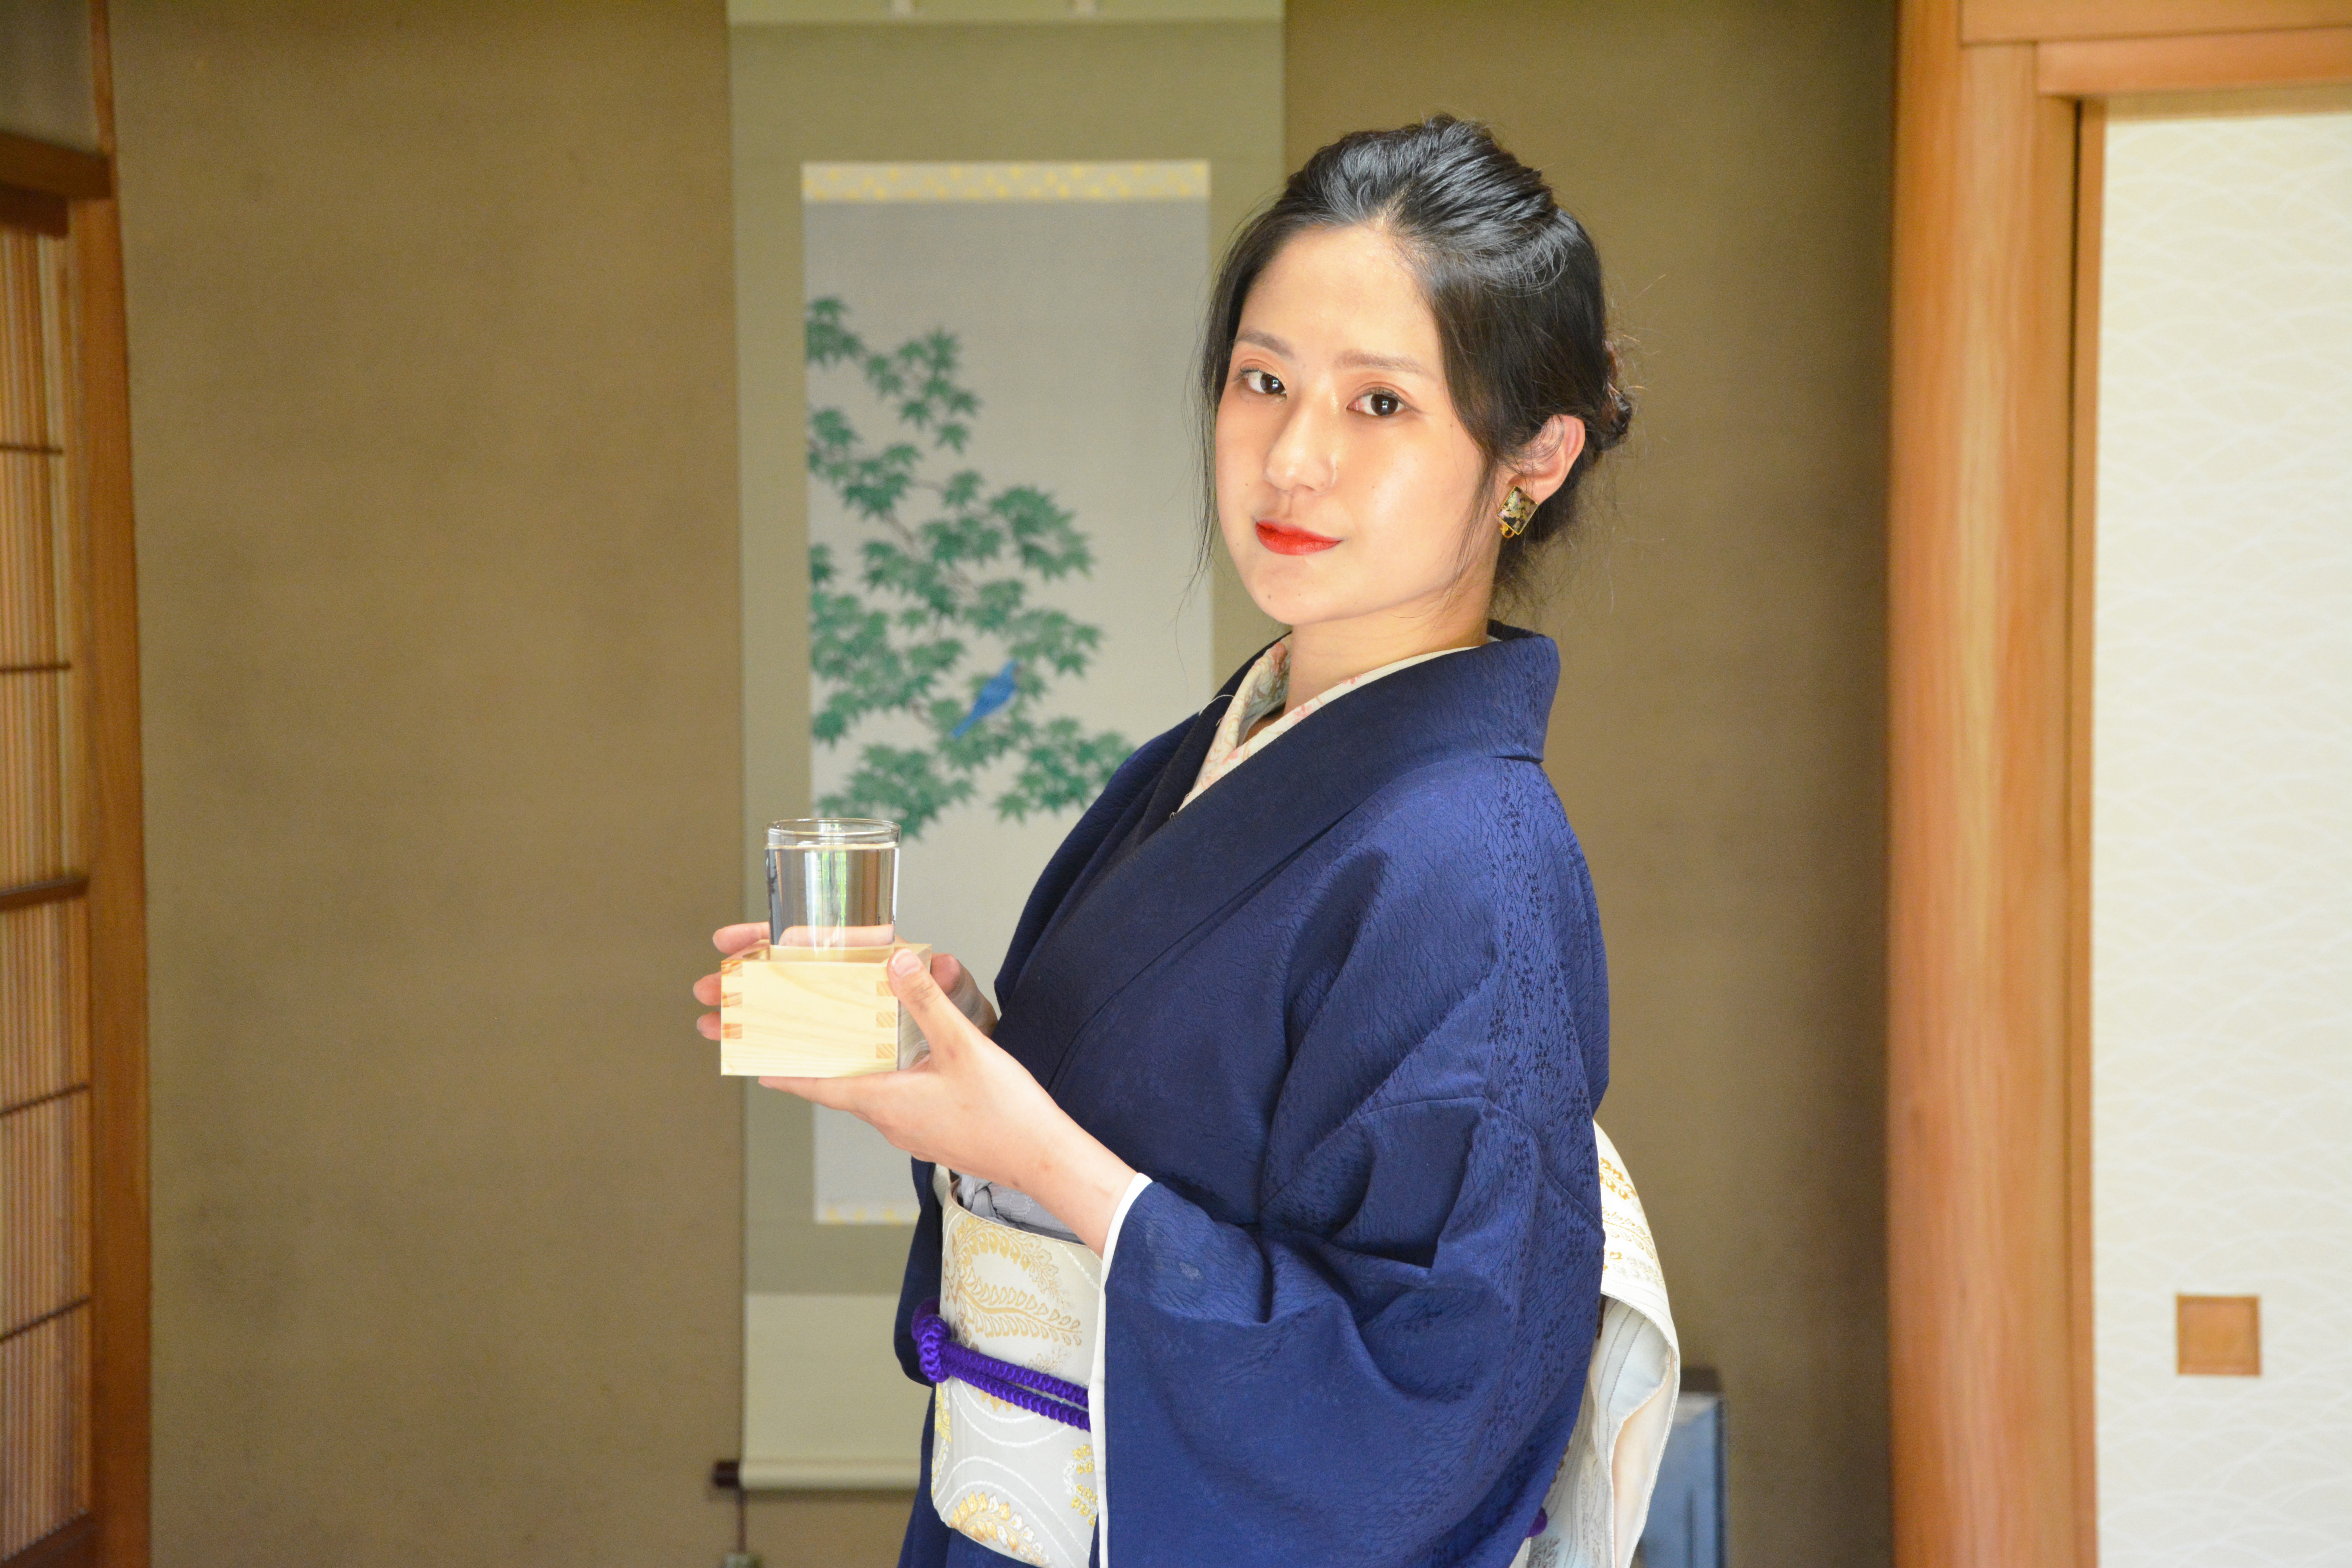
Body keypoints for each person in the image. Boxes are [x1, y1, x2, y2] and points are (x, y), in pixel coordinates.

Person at [696, 116, 1635, 1568]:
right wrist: (961, 1058)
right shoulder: (1216, 755)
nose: (1294, 457)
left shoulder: (1471, 865)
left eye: (1381, 404)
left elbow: (1422, 1418)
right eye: (1263, 381)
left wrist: (1038, 1155)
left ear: (1534, 455)